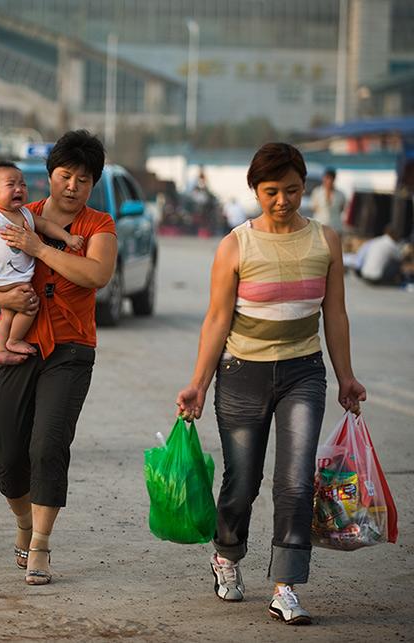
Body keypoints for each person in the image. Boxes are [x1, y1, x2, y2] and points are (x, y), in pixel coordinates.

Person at [176, 142, 366, 625]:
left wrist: (346, 376)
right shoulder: (236, 244)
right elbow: (217, 319)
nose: (282, 200)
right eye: (271, 191)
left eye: (292, 189)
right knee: (243, 481)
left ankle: (286, 586)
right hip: (242, 373)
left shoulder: (326, 241)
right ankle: (227, 554)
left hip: (304, 372)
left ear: (305, 186)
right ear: (255, 190)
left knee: (297, 483)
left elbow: (335, 314)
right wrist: (198, 383)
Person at [0, 130, 117, 585]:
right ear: (49, 176)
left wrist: (38, 249)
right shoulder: (18, 213)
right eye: (64, 175)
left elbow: (96, 274)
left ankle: (40, 545)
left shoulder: (100, 225)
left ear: (93, 183)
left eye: (83, 179)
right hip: (19, 341)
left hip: (72, 347)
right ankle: (22, 523)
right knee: (9, 451)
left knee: (47, 445)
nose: (72, 186)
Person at [0, 161, 84, 365]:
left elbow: (46, 225)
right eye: (11, 185)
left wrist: (67, 237)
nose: (19, 189)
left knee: (8, 314)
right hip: (1, 278)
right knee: (29, 305)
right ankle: (14, 340)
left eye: (23, 185)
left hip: (13, 278)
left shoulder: (26, 214)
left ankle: (1, 350)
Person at [310, 167, 346, 233]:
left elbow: (342, 209)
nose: (328, 181)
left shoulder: (340, 194)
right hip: (320, 226)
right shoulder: (317, 192)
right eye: (327, 178)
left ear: (334, 179)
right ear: (323, 178)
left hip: (335, 227)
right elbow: (313, 208)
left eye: (330, 178)